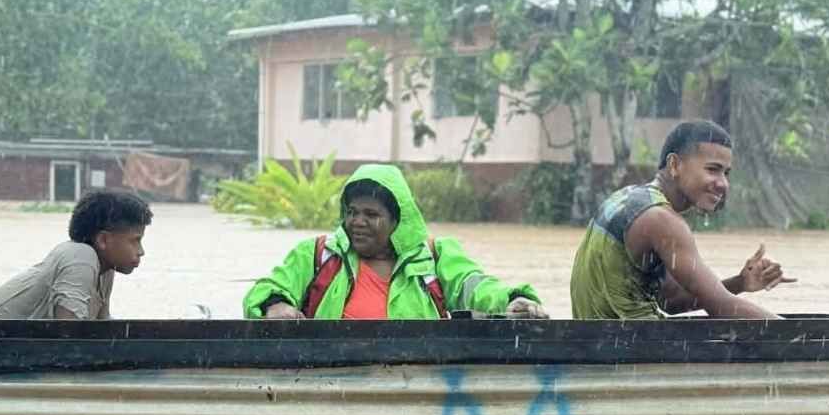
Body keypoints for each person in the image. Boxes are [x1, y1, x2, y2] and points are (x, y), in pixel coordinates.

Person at [244, 164, 546, 320]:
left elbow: (475, 285)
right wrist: (276, 305)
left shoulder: (435, 256)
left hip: (418, 390)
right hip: (331, 388)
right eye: (351, 212)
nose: (357, 222)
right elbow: (267, 289)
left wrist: (512, 299)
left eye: (371, 214)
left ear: (397, 222)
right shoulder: (318, 255)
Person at [570, 120, 792, 320]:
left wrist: (740, 283)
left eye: (726, 173)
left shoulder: (629, 198)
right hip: (636, 353)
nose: (723, 183)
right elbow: (723, 308)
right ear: (675, 165)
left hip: (606, 346)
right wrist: (802, 338)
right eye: (713, 170)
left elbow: (671, 301)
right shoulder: (661, 220)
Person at [0, 189, 151, 320]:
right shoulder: (81, 256)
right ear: (103, 240)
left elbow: (103, 328)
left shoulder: (105, 270)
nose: (141, 251)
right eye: (135, 240)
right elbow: (68, 337)